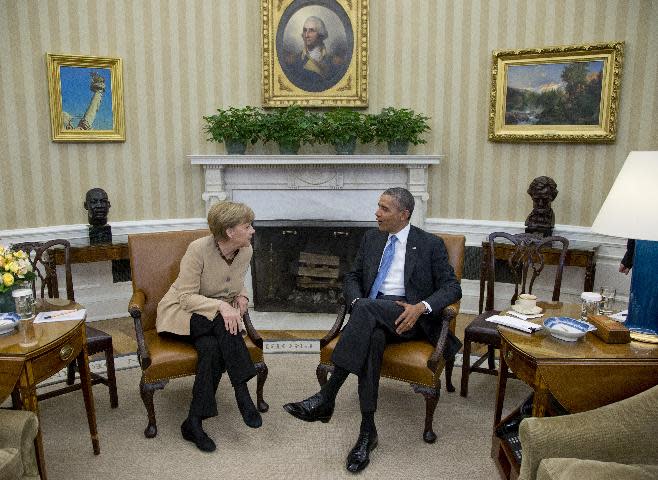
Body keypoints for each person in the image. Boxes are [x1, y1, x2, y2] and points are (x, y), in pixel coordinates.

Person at [283, 187, 462, 473]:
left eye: (384, 209)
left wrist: (421, 307)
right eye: (377, 206)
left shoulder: (430, 244)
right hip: (372, 311)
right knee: (372, 336)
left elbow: (452, 287)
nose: (376, 213)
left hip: (408, 317)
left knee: (366, 310)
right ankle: (368, 432)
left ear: (404, 214)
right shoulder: (371, 238)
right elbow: (353, 276)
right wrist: (356, 301)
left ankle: (327, 397)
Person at [156, 200, 261, 452]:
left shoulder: (245, 250)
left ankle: (193, 422)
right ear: (229, 232)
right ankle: (242, 391)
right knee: (222, 322)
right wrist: (222, 307)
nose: (253, 231)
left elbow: (236, 284)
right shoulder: (198, 249)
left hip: (215, 324)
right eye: (247, 226)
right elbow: (185, 296)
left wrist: (242, 297)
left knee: (212, 349)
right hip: (181, 314)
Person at [284, 16, 343, 92]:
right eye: (305, 30)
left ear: (320, 35)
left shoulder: (335, 62)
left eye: (311, 31)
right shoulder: (293, 60)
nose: (306, 35)